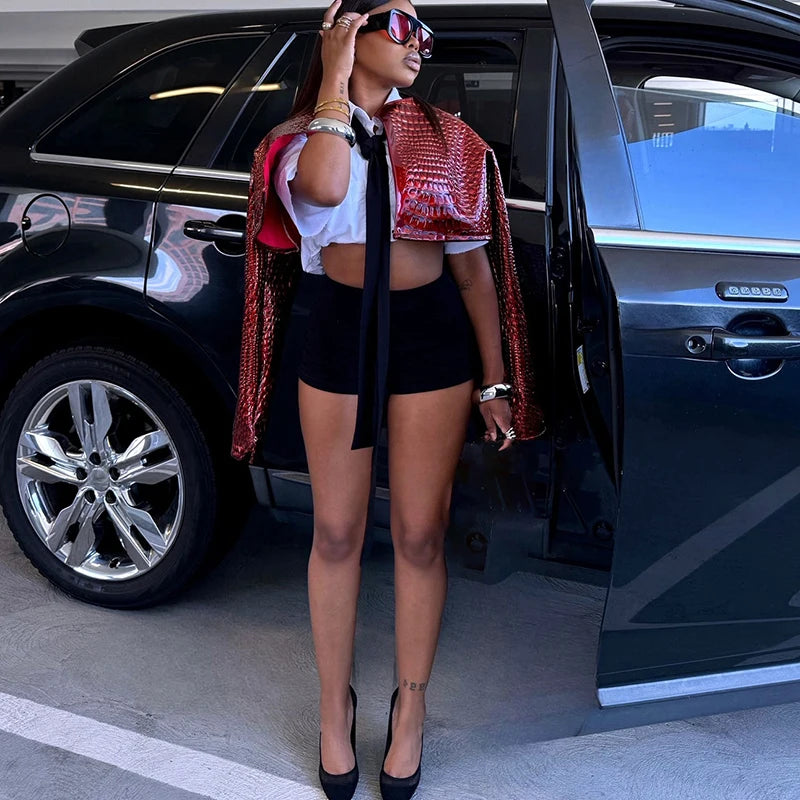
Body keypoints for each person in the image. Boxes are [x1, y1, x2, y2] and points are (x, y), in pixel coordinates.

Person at [231, 1, 544, 797]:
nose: (420, 46)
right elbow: (328, 184)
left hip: (431, 337)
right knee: (336, 533)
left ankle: (411, 706)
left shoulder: (449, 140)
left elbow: (474, 273)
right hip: (340, 330)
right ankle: (334, 707)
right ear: (349, 29)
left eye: (425, 35)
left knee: (419, 534)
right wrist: (335, 77)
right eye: (402, 26)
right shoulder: (300, 141)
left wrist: (497, 380)